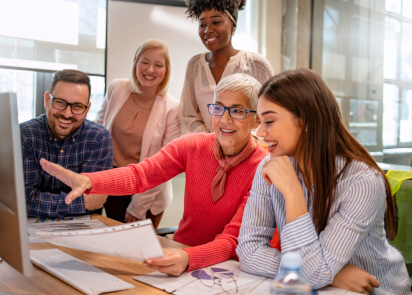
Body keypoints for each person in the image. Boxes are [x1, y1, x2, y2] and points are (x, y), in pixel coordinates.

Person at [39, 73, 268, 275]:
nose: (225, 120)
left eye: (237, 111)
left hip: (228, 269)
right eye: (218, 108)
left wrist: (189, 259)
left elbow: (231, 241)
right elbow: (140, 176)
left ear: (257, 118)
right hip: (179, 254)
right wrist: (89, 180)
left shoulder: (263, 168)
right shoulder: (193, 145)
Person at [236, 68, 411, 294]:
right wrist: (333, 275)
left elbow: (311, 274)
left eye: (268, 120)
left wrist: (292, 191)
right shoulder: (269, 167)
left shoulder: (362, 182)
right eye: (259, 121)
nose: (259, 132)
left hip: (375, 291)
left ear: (307, 121)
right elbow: (248, 251)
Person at [96, 39, 180, 227]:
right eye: (145, 62)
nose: (150, 70)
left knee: (138, 254)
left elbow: (165, 165)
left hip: (149, 193)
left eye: (158, 65)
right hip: (113, 183)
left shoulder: (173, 108)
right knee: (110, 248)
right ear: (136, 63)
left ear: (166, 71)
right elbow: (97, 132)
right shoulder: (116, 88)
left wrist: (138, 206)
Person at [179, 0, 274, 134]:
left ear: (233, 26)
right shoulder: (195, 65)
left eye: (216, 22)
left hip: (249, 154)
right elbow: (188, 117)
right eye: (202, 24)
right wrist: (215, 144)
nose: (207, 30)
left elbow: (269, 114)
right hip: (205, 152)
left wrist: (237, 144)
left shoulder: (257, 64)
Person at [20, 69, 113, 218]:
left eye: (77, 106)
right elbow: (24, 201)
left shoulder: (98, 139)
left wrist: (45, 202)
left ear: (87, 109)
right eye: (60, 102)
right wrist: (81, 203)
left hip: (81, 232)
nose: (67, 113)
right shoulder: (25, 136)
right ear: (47, 100)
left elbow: (95, 201)